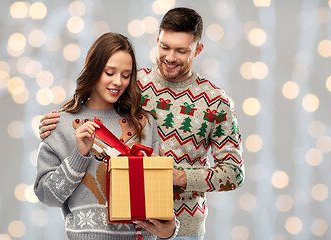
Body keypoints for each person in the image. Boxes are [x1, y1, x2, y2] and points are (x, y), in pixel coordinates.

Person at [39, 8, 245, 240]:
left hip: (184, 228)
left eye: (181, 50)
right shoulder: (134, 83)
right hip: (130, 223)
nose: (170, 57)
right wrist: (56, 122)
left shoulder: (216, 101)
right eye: (164, 46)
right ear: (157, 39)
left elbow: (234, 173)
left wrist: (179, 176)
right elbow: (95, 104)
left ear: (198, 49)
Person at [34, 32, 180, 240]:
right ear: (93, 70)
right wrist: (79, 156)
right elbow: (47, 196)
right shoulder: (61, 125)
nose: (118, 82)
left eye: (126, 75)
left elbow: (157, 199)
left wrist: (170, 231)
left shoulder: (144, 124)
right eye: (109, 72)